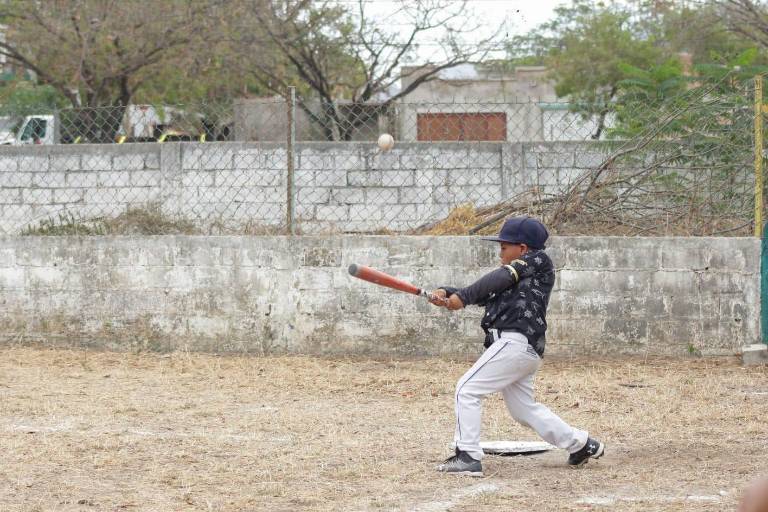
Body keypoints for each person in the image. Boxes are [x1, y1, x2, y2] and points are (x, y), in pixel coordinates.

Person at [429, 216, 604, 477]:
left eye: (504, 247)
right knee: (523, 410)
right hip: (518, 348)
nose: (500, 252)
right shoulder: (513, 277)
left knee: (466, 389)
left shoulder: (537, 261)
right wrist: (447, 292)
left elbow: (491, 282)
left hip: (515, 342)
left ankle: (467, 456)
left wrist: (462, 297)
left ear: (522, 249)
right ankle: (580, 444)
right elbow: (486, 290)